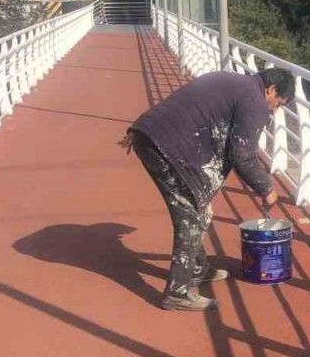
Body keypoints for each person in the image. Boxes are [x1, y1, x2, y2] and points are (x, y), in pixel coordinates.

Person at [120, 68, 294, 311]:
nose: (274, 111)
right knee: (191, 217)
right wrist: (266, 188)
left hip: (151, 136)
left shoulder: (233, 81)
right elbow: (242, 156)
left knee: (201, 210)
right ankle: (177, 292)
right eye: (278, 103)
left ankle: (197, 268)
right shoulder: (254, 100)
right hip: (164, 148)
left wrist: (141, 132)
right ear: (271, 90)